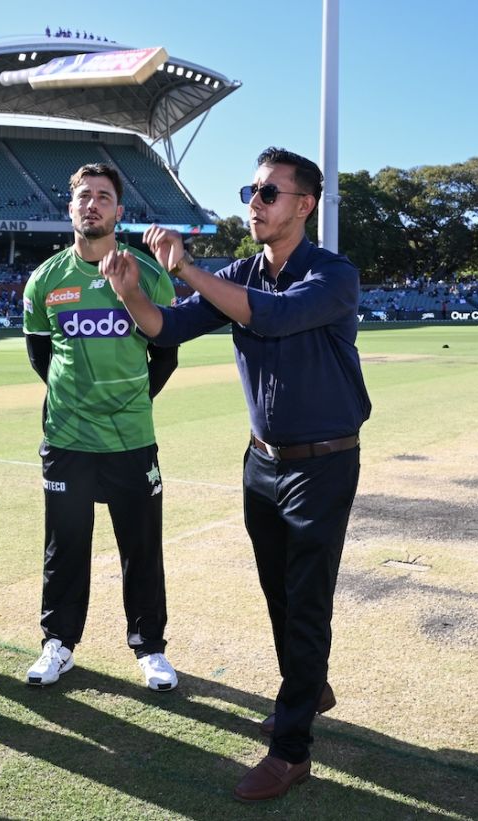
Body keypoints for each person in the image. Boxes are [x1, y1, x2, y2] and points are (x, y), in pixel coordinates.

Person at [101, 148, 372, 801]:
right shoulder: (244, 271)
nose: (254, 202)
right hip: (262, 462)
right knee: (281, 594)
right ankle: (312, 687)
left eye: (268, 193)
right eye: (250, 191)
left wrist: (187, 266)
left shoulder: (334, 274)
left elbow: (270, 317)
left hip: (324, 462)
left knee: (306, 599)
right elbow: (168, 327)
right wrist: (133, 291)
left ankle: (291, 749)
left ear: (304, 205)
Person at [21, 162, 179, 691]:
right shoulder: (46, 280)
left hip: (131, 439)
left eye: (104, 197)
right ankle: (58, 644)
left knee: (141, 546)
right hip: (67, 439)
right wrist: (79, 403)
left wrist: (127, 401)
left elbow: (166, 356)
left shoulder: (148, 274)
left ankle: (150, 648)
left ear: (118, 211)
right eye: (84, 196)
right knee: (65, 545)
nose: (92, 204)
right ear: (70, 207)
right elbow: (41, 356)